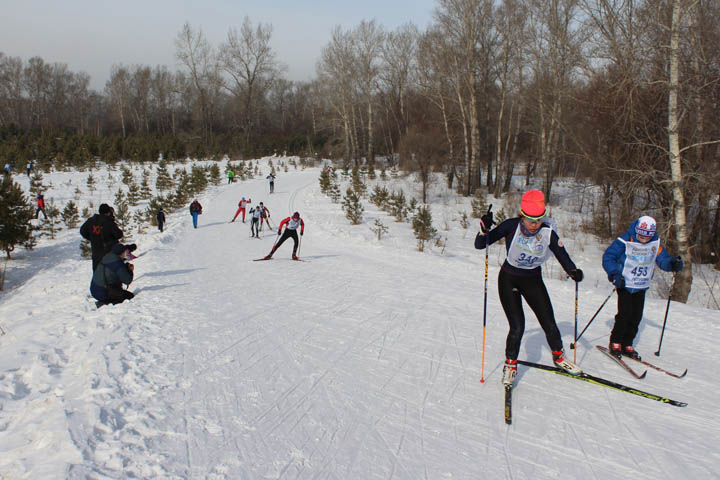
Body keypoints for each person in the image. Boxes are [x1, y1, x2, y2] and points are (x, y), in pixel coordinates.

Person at [474, 189, 584, 386]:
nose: (534, 225)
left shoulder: (547, 232)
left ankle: (559, 357)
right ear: (522, 216)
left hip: (533, 280)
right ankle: (510, 365)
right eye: (530, 220)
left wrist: (573, 271)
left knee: (549, 322)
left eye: (539, 220)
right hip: (509, 280)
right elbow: (481, 244)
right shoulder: (511, 226)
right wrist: (484, 229)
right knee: (518, 326)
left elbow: (561, 254)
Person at [601, 215, 683, 360]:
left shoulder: (655, 244)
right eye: (641, 235)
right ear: (636, 231)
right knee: (624, 314)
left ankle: (627, 343)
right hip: (625, 283)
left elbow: (662, 260)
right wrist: (614, 273)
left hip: (641, 285)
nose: (643, 239)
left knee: (636, 316)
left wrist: (672, 264)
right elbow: (609, 257)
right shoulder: (625, 240)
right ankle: (615, 342)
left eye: (647, 237)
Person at [80, 203, 126, 272]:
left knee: (97, 274)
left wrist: (93, 238)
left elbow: (82, 231)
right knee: (109, 275)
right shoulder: (109, 222)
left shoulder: (91, 221)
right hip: (108, 253)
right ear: (108, 213)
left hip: (96, 252)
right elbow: (119, 234)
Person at [90, 243, 135, 308]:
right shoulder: (118, 264)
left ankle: (105, 300)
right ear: (122, 253)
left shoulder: (108, 256)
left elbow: (112, 268)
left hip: (94, 289)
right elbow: (127, 280)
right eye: (124, 252)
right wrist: (130, 270)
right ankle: (104, 303)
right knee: (129, 296)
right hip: (103, 292)